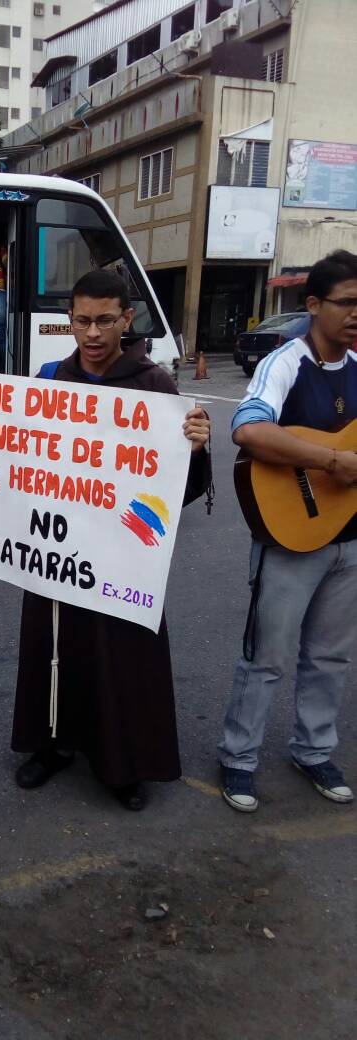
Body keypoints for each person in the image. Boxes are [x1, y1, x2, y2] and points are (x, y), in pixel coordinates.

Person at [0, 270, 211, 811]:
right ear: (69, 320)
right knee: (52, 646)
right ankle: (52, 746)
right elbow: (14, 457)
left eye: (105, 320)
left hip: (120, 558)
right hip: (56, 553)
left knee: (121, 658)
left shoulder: (156, 388)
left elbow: (180, 489)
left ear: (126, 320)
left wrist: (196, 447)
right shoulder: (49, 378)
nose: (93, 332)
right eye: (82, 320)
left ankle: (121, 763)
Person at [218, 250, 357, 813]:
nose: (356, 314)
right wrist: (329, 463)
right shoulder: (286, 362)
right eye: (346, 303)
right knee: (267, 655)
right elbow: (248, 431)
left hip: (348, 535)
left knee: (330, 655)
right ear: (314, 305)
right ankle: (238, 759)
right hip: (290, 536)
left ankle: (314, 748)